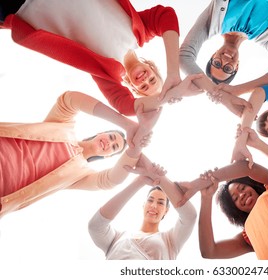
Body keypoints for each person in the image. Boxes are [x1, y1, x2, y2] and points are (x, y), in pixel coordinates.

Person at [1, 0, 195, 116]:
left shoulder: (107, 73)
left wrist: (165, 98)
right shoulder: (140, 32)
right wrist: (173, 73)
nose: (145, 80)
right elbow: (166, 16)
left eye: (143, 87)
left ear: (134, 88)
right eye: (152, 79)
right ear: (152, 67)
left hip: (21, 5)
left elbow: (125, 106)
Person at [0, 90, 161, 218]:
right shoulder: (63, 126)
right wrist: (127, 124)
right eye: (111, 137)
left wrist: (135, 148)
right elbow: (69, 99)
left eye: (114, 147)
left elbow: (110, 181)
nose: (109, 143)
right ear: (100, 133)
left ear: (107, 157)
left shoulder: (80, 175)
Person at [179, 0, 268, 108]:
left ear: (213, 55)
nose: (225, 61)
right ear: (236, 66)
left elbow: (184, 56)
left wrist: (212, 90)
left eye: (217, 63)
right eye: (227, 68)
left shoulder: (212, 23)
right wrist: (237, 90)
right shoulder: (266, 35)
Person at [88, 154, 197, 260]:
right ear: (143, 205)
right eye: (150, 200)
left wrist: (160, 178)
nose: (154, 206)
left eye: (160, 203)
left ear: (166, 211)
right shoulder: (117, 237)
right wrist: (140, 181)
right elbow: (95, 226)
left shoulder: (170, 240)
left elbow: (190, 217)